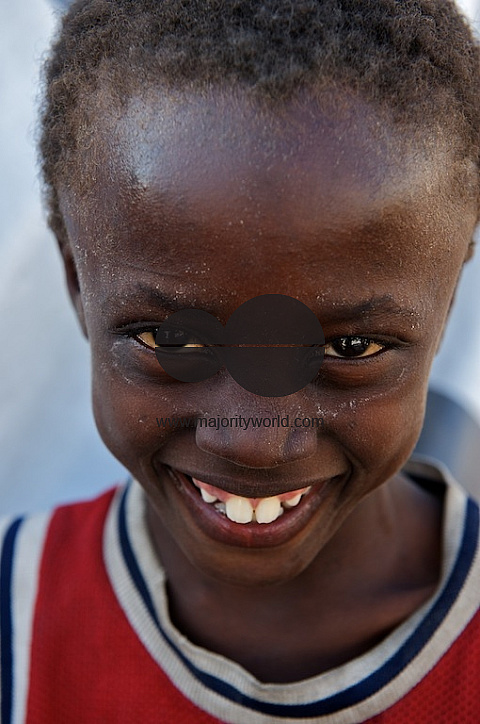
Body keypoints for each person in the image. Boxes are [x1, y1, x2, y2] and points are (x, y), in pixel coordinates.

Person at [2, 0, 480, 721]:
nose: (253, 438)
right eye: (174, 341)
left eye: (348, 348)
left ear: (448, 300)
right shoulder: (19, 616)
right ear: (78, 283)